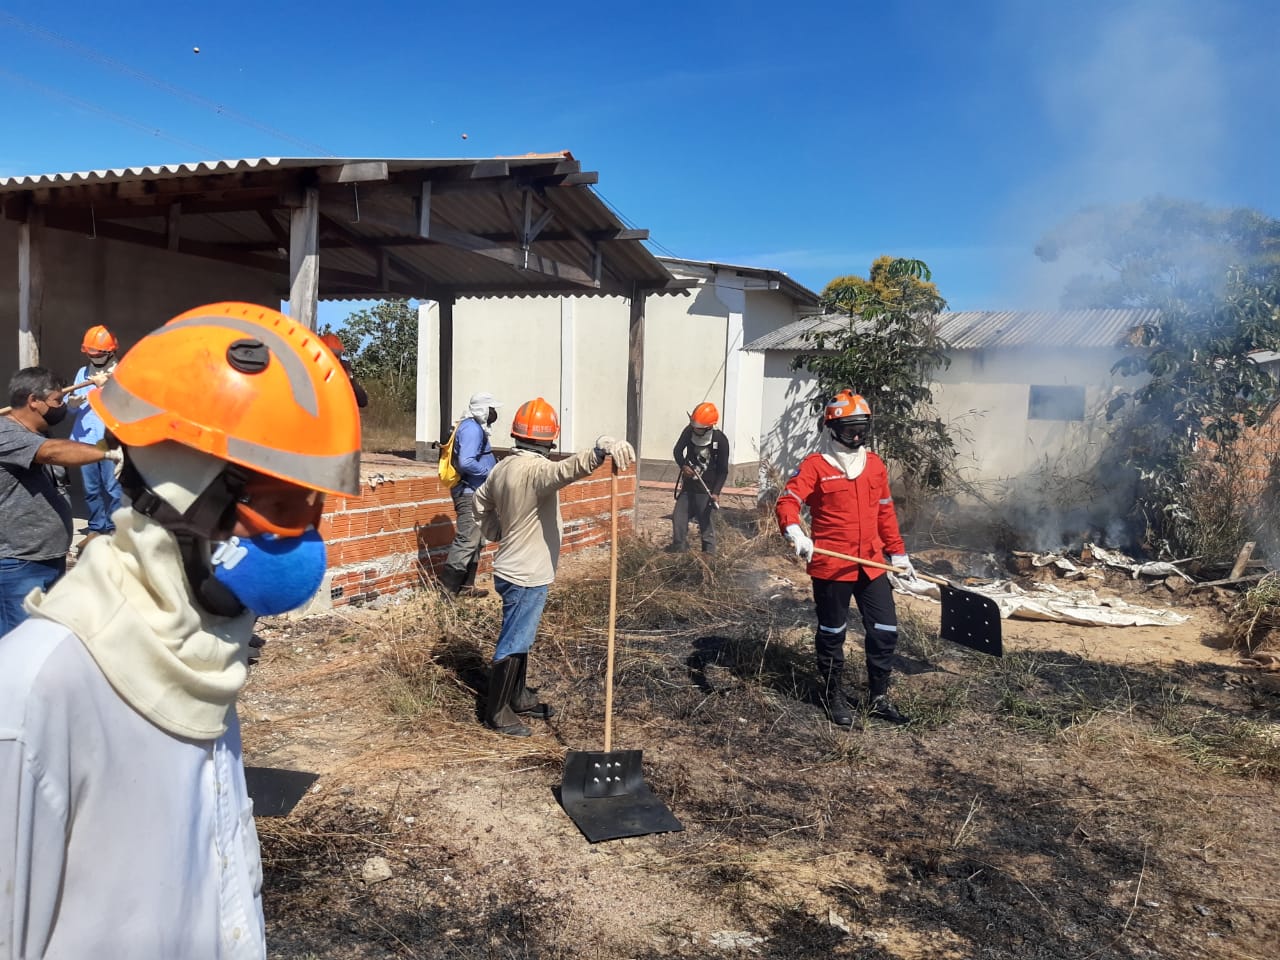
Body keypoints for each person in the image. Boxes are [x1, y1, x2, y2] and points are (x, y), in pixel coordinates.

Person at [0, 302, 362, 958]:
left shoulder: (199, 661)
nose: (305, 541)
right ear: (185, 490)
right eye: (282, 506)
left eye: (314, 505)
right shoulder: (34, 697)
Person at [474, 397, 634, 737]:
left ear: (517, 433)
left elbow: (479, 502)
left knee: (522, 636)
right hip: (526, 573)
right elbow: (565, 470)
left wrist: (495, 532)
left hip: (512, 568)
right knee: (515, 639)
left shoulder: (503, 466)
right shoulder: (535, 471)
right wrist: (599, 450)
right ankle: (497, 711)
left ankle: (517, 696)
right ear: (549, 439)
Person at [775, 390, 916, 727]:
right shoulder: (816, 466)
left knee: (885, 630)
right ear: (833, 428)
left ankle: (879, 697)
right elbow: (787, 503)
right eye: (850, 428)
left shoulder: (875, 466)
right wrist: (796, 534)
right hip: (831, 565)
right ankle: (832, 695)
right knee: (832, 633)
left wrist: (898, 553)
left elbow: (885, 514)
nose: (857, 435)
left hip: (871, 563)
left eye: (862, 428)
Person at [0, 367, 121, 634]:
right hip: (19, 564)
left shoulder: (37, 433)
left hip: (48, 558)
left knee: (43, 637)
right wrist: (108, 451)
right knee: (19, 642)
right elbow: (54, 453)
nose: (62, 406)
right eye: (57, 401)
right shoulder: (5, 434)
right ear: (34, 401)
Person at [66, 324, 123, 548]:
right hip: (84, 441)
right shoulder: (82, 373)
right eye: (90, 353)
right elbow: (72, 409)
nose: (93, 357)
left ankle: (116, 528)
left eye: (97, 353)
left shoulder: (121, 374)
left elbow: (123, 405)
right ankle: (97, 528)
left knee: (113, 489)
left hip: (108, 442)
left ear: (110, 352)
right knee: (91, 489)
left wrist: (104, 388)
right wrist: (71, 403)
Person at [439, 391, 500, 596]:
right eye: (492, 409)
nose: (494, 414)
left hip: (476, 491)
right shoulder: (472, 429)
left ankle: (466, 587)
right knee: (467, 540)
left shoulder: (473, 427)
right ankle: (447, 590)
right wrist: (490, 472)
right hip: (468, 492)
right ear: (483, 409)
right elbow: (466, 462)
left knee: (477, 540)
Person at [671, 401, 730, 554]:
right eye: (693, 424)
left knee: (706, 526)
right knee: (678, 519)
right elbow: (677, 451)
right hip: (688, 488)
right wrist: (683, 466)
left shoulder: (720, 440)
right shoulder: (688, 431)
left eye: (698, 426)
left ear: (708, 427)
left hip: (706, 491)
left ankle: (709, 562)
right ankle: (680, 555)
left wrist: (716, 492)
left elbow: (723, 471)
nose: (694, 427)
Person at [321, 332, 369, 408]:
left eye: (336, 355)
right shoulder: (314, 372)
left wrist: (350, 378)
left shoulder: (343, 372)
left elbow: (362, 401)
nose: (334, 359)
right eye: (330, 355)